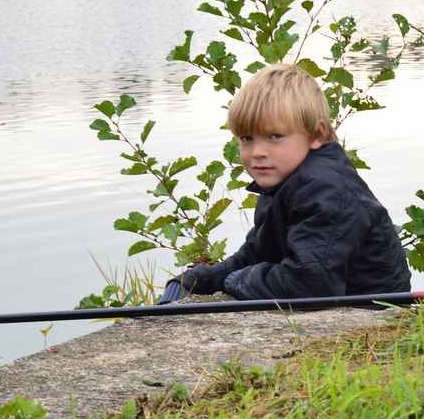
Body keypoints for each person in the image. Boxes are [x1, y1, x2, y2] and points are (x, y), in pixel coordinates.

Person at [157, 63, 411, 303]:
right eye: (247, 139)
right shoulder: (284, 182)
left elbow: (309, 285)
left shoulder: (327, 191)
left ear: (317, 135)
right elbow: (257, 253)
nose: (258, 152)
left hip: (370, 312)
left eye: (275, 136)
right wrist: (198, 279)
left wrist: (235, 281)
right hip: (333, 303)